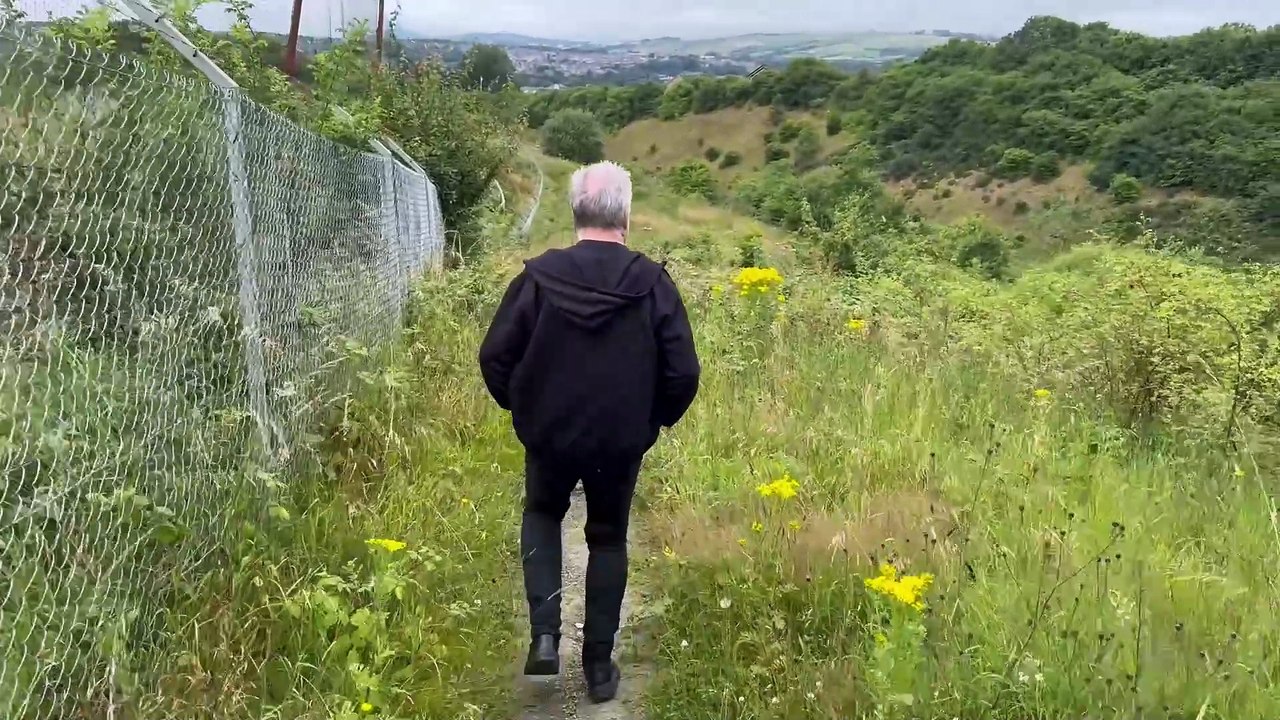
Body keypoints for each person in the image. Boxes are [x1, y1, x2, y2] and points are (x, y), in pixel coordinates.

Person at [478, 161, 700, 703]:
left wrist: (525, 412)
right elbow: (684, 373)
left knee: (541, 514)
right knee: (607, 538)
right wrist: (651, 423)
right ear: (626, 214)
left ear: (575, 211)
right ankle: (600, 668)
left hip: (548, 434)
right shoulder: (652, 284)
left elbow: (494, 357)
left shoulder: (537, 278)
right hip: (620, 440)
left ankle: (546, 637)